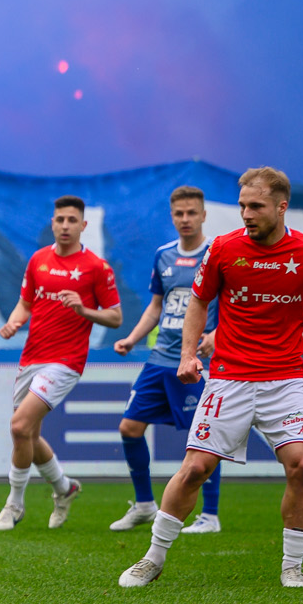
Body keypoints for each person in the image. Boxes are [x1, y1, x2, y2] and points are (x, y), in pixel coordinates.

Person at [121, 167, 303, 589]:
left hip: (284, 382)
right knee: (195, 468)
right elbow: (197, 303)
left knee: (302, 466)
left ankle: (292, 565)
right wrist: (187, 354)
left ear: (281, 206)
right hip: (228, 380)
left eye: (255, 206)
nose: (246, 214)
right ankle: (153, 557)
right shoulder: (222, 249)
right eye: (241, 206)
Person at [0, 196, 122, 531]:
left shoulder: (96, 267)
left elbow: (116, 317)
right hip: (32, 356)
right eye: (60, 219)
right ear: (53, 222)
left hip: (66, 361)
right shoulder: (38, 260)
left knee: (19, 426)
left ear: (83, 225)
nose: (65, 226)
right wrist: (13, 321)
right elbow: (25, 303)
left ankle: (14, 504)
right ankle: (65, 488)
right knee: (28, 435)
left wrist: (84, 310)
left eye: (72, 220)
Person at [109, 185, 223, 534]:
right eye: (179, 213)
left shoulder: (218, 254)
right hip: (160, 359)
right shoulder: (163, 256)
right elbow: (157, 306)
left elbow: (233, 305)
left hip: (195, 363)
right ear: (172, 216)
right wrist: (132, 338)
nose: (185, 219)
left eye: (192, 213)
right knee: (129, 428)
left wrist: (215, 336)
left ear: (203, 215)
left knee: (200, 439)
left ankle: (210, 515)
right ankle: (144, 504)